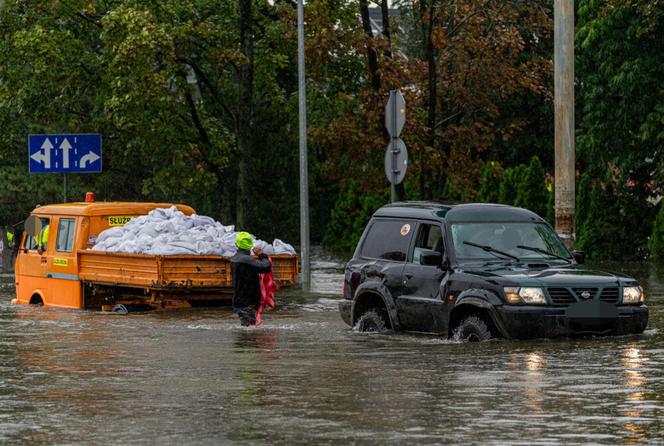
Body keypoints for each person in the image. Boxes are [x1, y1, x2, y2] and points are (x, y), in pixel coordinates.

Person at [230, 232, 271, 327]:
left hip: (239, 300)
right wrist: (262, 255)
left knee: (248, 328)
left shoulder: (235, 259)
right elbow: (266, 267)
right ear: (250, 245)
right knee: (250, 331)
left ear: (237, 244)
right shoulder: (246, 260)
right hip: (247, 302)